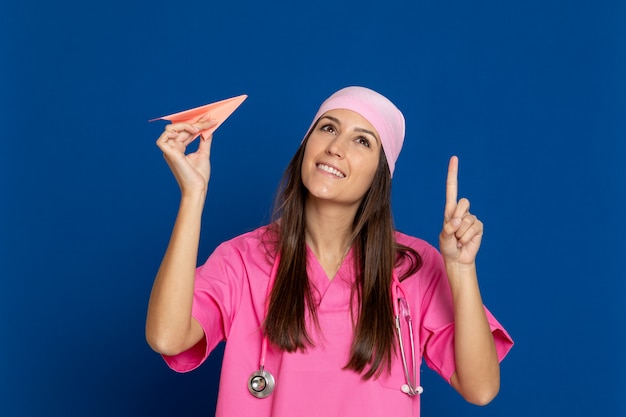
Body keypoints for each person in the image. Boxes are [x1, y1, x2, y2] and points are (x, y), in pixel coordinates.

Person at [145, 86, 513, 416]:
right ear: (306, 145)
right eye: (328, 128)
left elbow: (480, 389)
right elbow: (167, 337)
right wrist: (193, 197)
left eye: (363, 141)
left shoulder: (413, 268)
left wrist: (462, 270)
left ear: (380, 175)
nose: (336, 147)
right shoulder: (243, 258)